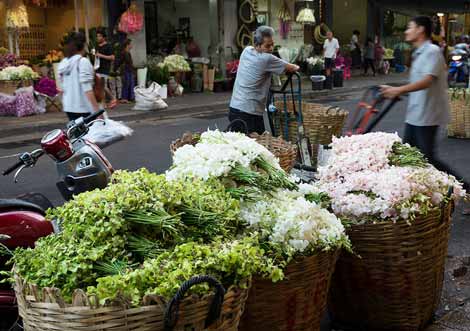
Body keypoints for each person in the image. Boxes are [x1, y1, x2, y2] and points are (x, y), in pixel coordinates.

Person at [381, 16, 470, 192]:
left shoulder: (432, 51)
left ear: (420, 29)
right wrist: (397, 91)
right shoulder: (419, 52)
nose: (407, 31)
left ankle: (465, 189)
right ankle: (413, 192)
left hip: (428, 115)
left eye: (410, 27)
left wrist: (398, 90)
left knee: (428, 159)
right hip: (416, 114)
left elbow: (427, 81)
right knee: (407, 155)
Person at [229, 26, 299, 134]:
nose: (271, 48)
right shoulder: (266, 59)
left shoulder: (246, 51)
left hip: (235, 108)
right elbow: (294, 67)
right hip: (249, 113)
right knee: (255, 147)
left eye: (272, 44)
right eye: (267, 46)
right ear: (257, 45)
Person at [57, 32, 101, 121]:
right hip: (84, 108)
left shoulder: (64, 62)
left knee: (78, 134)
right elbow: (88, 90)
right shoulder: (83, 62)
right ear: (83, 45)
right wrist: (98, 112)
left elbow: (61, 88)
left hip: (69, 107)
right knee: (90, 134)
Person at [95, 28, 117, 108]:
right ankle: (103, 104)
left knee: (102, 86)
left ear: (104, 37)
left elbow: (112, 57)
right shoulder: (97, 46)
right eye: (97, 36)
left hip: (105, 68)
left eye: (99, 36)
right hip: (97, 67)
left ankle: (112, 98)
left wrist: (101, 56)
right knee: (100, 86)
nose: (98, 38)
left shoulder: (108, 46)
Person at [121, 39, 135, 103]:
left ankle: (130, 98)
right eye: (130, 44)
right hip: (126, 70)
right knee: (126, 83)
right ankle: (125, 98)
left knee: (130, 83)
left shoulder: (127, 52)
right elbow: (126, 62)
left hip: (129, 70)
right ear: (127, 45)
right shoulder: (124, 53)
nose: (132, 45)